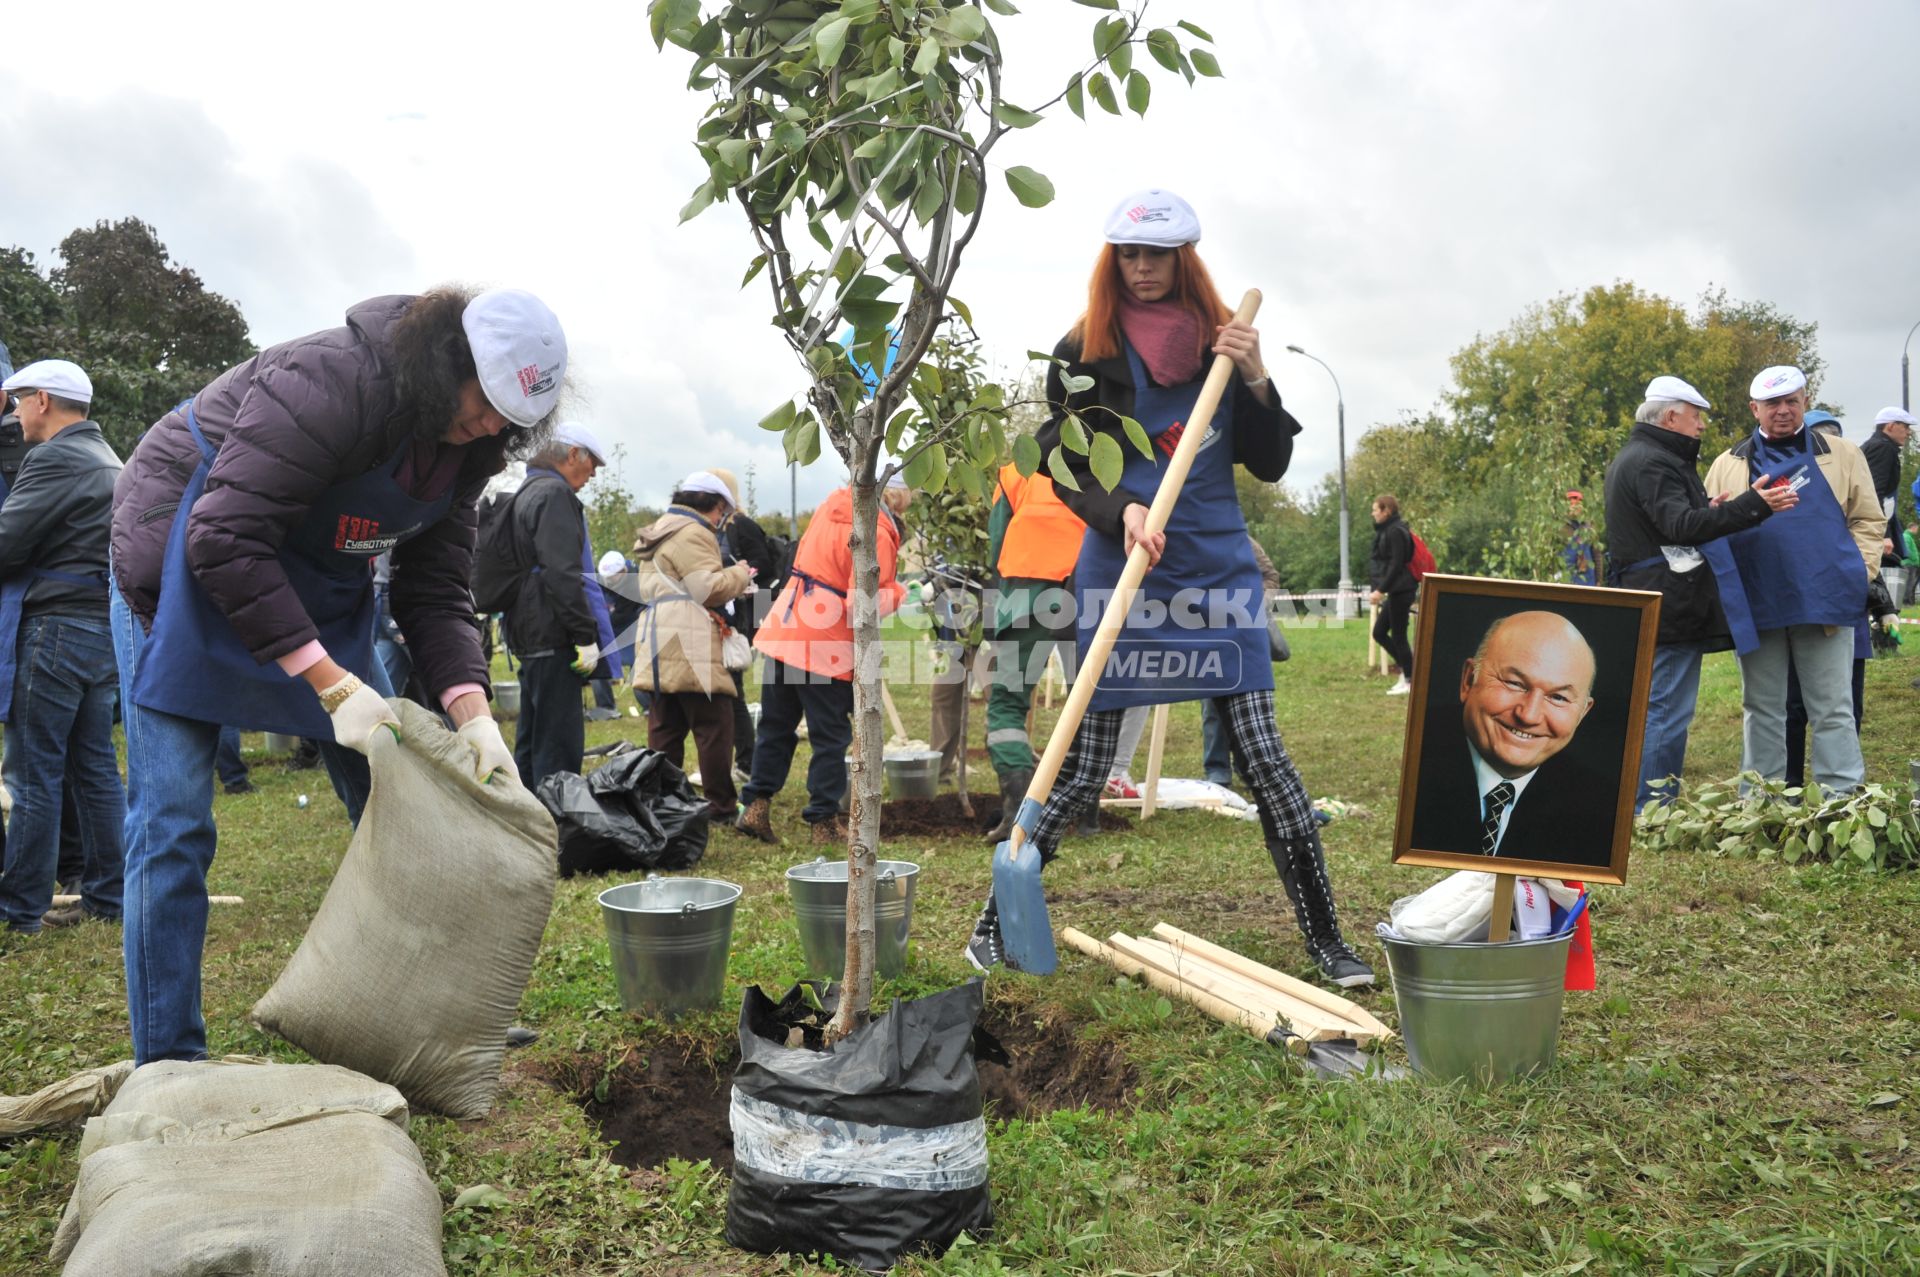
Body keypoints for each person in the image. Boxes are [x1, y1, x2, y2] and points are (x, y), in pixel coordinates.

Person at [110, 287, 555, 1064]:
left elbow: (434, 591)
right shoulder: (330, 380)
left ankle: (426, 1008)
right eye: (485, 400)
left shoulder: (465, 450)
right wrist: (332, 682)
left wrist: (473, 711)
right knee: (173, 819)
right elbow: (224, 534)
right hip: (179, 559)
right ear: (448, 360)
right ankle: (169, 1059)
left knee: (398, 788)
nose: (489, 425)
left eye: (508, 423)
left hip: (307, 582)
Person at [965, 187, 1371, 987]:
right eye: (1129, 254)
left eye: (1157, 254)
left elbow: (1271, 461)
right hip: (1123, 567)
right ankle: (993, 922)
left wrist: (1255, 377)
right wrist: (1120, 511)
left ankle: (1327, 940)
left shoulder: (1224, 343)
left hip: (1217, 565)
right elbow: (1063, 462)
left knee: (1263, 754)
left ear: (1184, 258)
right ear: (1112, 258)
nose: (1142, 269)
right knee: (1082, 762)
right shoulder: (1083, 349)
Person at [1602, 375, 1791, 806]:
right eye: (1696, 416)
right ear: (1671, 417)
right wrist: (1754, 506)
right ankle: (1651, 809)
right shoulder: (1654, 461)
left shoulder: (1641, 456)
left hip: (1655, 593)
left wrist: (1710, 511)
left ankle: (1643, 803)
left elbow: (1661, 525)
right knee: (1666, 710)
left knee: (1657, 706)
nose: (1701, 425)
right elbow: (1678, 527)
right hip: (1669, 600)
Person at [1703, 367, 1882, 795]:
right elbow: (1706, 526)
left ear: (1804, 401)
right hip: (1756, 603)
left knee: (1833, 707)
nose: (1782, 411)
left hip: (1826, 600)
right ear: (1755, 409)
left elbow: (1870, 520)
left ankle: (1840, 799)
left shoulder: (1842, 454)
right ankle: (1761, 801)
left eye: (1791, 401)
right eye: (1772, 404)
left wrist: (1857, 573)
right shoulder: (1727, 463)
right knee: (1761, 707)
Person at [0, 360, 125, 933]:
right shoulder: (108, 458)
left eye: (18, 399)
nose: (16, 411)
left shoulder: (52, 458)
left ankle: (19, 910)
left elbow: (7, 544)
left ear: (43, 400)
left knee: (33, 773)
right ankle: (108, 897)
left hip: (53, 630)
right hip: (100, 630)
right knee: (94, 766)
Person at [737, 476, 911, 846]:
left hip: (787, 629)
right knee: (830, 735)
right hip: (823, 642)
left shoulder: (829, 507)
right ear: (896, 496)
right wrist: (898, 592)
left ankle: (756, 806)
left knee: (775, 726)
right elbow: (860, 606)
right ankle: (823, 821)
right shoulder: (875, 529)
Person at [1407, 611, 1617, 868]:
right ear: (1468, 679)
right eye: (1515, 683)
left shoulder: (1599, 808)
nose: (1528, 715)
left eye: (1558, 698)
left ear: (1582, 713)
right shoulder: (1413, 764)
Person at [490, 422, 619, 790]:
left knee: (531, 743)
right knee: (558, 749)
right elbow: (563, 574)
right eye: (592, 463)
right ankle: (556, 835)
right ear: (573, 453)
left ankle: (526, 825)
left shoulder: (527, 491)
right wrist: (585, 635)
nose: (593, 474)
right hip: (552, 633)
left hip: (528, 633)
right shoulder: (555, 495)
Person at [630, 471, 754, 823]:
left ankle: (662, 801)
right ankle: (720, 807)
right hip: (689, 633)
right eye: (722, 514)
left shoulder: (662, 527)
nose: (721, 522)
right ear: (714, 505)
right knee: (714, 724)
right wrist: (741, 574)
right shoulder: (694, 532)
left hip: (657, 630)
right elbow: (708, 588)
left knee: (665, 724)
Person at [981, 460, 1085, 839]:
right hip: (1085, 583)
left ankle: (1017, 813)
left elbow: (997, 538)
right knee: (1087, 699)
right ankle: (1084, 813)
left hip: (1026, 586)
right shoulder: (1107, 460)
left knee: (1007, 702)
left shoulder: (1014, 471)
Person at [713, 467, 781, 783]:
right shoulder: (716, 526)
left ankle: (746, 759)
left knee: (734, 685)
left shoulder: (741, 525)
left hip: (747, 609)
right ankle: (741, 758)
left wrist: (737, 573)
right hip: (728, 608)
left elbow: (763, 565)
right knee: (729, 686)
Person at [1201, 536, 1282, 784]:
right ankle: (1217, 770)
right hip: (1209, 630)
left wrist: (1255, 605)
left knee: (1249, 705)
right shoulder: (1192, 541)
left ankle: (1249, 768)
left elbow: (1270, 577)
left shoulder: (1242, 540)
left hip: (1246, 633)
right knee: (1212, 705)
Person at [1368, 495, 1417, 696]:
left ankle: (1411, 679)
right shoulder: (1390, 530)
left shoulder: (1396, 531)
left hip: (1401, 590)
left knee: (1398, 637)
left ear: (1386, 510)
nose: (1373, 513)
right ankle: (1409, 671)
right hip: (1396, 590)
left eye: (1375, 510)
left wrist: (1380, 590)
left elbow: (1396, 564)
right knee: (1379, 632)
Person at [1861, 407, 1911, 572]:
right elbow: (1874, 492)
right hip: (1875, 530)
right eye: (1905, 427)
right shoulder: (1882, 448)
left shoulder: (1877, 446)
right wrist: (1883, 535)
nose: (1908, 432)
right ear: (1890, 426)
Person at [1563, 490, 1599, 585]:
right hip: (1565, 582)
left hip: (1588, 582)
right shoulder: (1558, 528)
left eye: (1579, 501)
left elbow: (1597, 555)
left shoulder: (1589, 526)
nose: (1575, 504)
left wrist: (1599, 580)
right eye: (1572, 500)